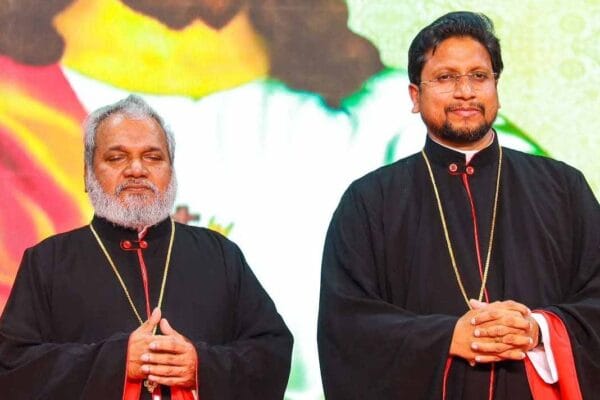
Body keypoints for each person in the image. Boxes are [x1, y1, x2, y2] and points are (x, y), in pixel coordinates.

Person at [317, 11, 600, 400]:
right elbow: (347, 326)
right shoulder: (369, 201)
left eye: (479, 76)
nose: (465, 91)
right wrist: (448, 337)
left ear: (496, 87)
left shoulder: (563, 188)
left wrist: (538, 329)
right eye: (446, 78)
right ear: (415, 96)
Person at [0, 95, 293, 399]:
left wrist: (200, 366)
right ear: (88, 174)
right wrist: (116, 362)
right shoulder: (47, 262)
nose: (137, 169)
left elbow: (272, 351)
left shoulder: (220, 255)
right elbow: (12, 367)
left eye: (153, 157)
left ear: (172, 171)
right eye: (117, 158)